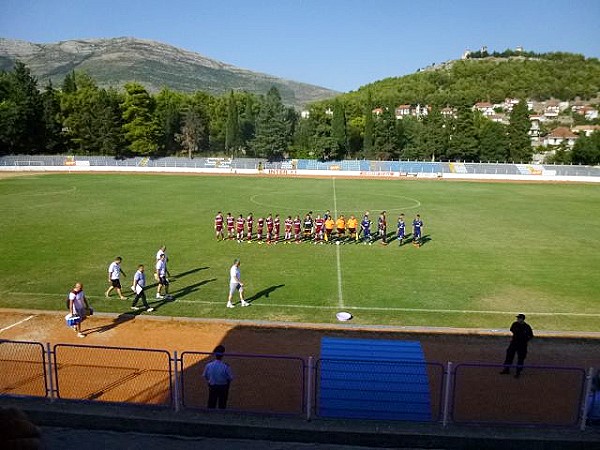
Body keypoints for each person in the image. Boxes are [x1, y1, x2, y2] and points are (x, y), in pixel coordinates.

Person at [500, 313, 534, 378]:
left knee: (521, 358)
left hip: (522, 345)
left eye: (519, 318)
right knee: (509, 355)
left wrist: (525, 340)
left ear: (522, 319)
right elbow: (512, 330)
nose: (517, 319)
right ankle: (506, 369)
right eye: (518, 318)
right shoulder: (515, 324)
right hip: (514, 343)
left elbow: (531, 336)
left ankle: (518, 372)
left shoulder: (527, 327)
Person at [202, 345, 233, 409]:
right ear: (223, 354)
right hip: (223, 387)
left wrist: (209, 381)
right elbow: (230, 378)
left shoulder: (209, 365)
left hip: (213, 386)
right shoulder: (226, 366)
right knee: (222, 404)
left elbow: (205, 375)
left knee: (211, 404)